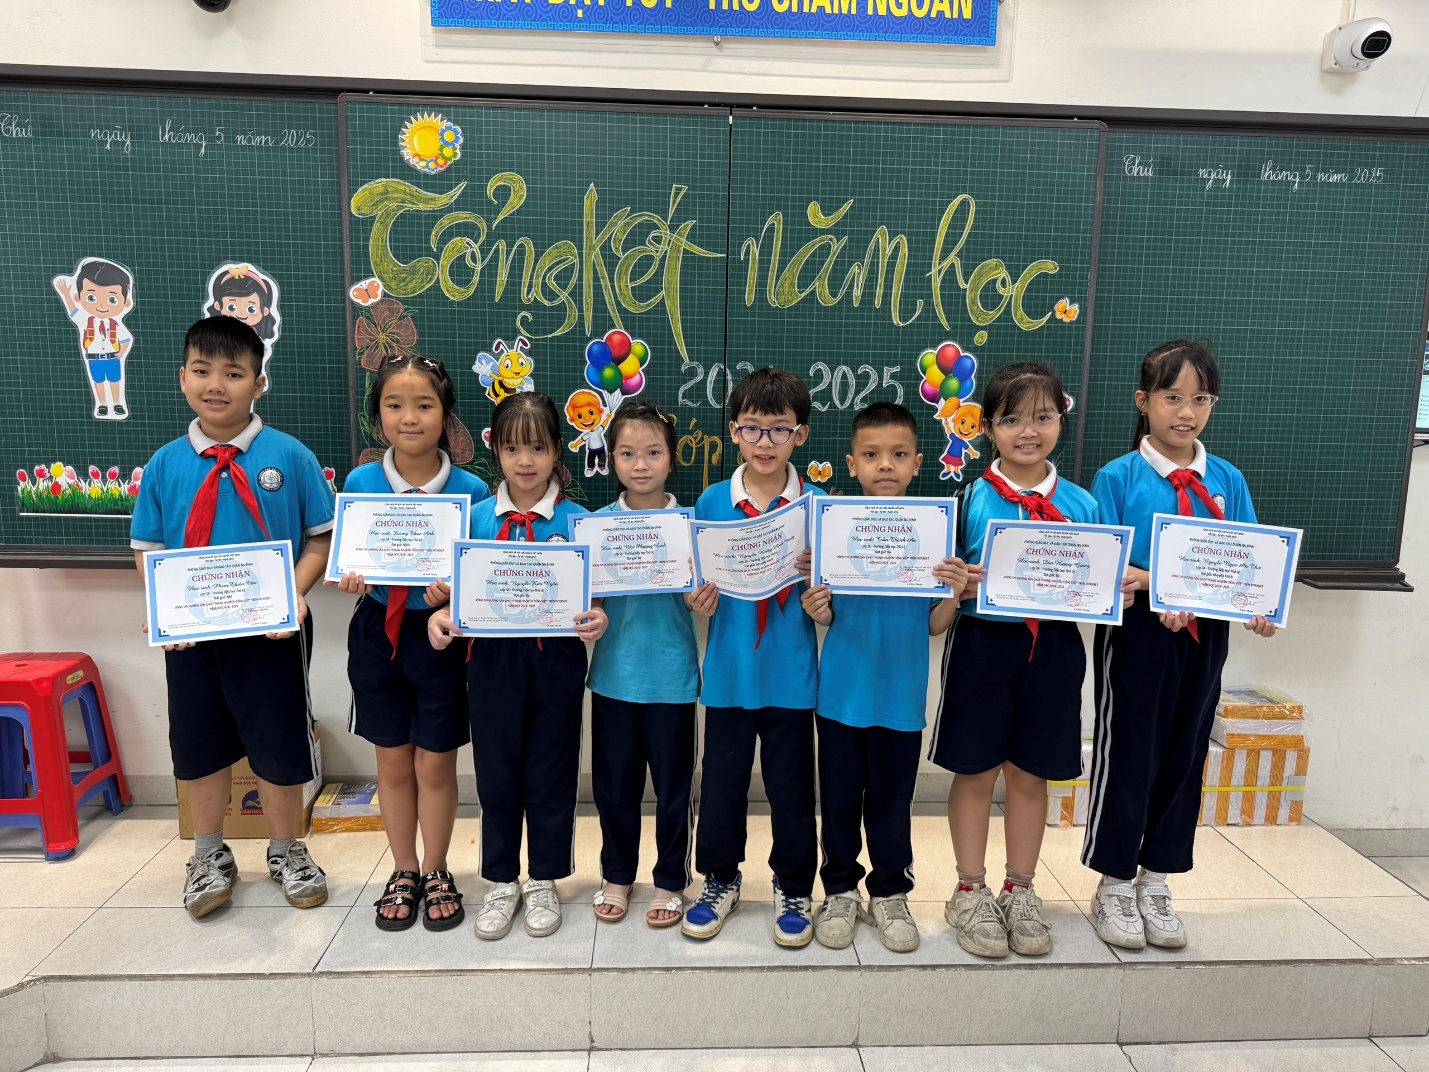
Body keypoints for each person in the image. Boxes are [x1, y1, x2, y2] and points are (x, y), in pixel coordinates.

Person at [129, 316, 333, 919]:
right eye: (202, 370)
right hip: (193, 640)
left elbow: (320, 540)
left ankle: (287, 849)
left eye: (234, 373)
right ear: (182, 378)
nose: (216, 385)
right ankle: (208, 854)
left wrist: (295, 591)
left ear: (259, 383)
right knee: (200, 744)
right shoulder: (165, 464)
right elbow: (147, 549)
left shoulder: (290, 456)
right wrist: (162, 606)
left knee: (278, 741)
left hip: (273, 632)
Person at [1082, 340, 1277, 951]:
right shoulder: (1118, 477)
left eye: (1200, 399)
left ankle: (1157, 879)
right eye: (1172, 397)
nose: (1186, 411)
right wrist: (1152, 583)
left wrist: (1260, 604)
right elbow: (1102, 564)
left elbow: (1247, 558)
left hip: (1205, 633)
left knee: (1186, 751)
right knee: (1130, 752)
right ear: (1144, 402)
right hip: (1138, 634)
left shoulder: (1227, 479)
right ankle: (1114, 881)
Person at [928, 362, 1107, 958]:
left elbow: (1096, 584)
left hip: (1053, 650)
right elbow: (941, 596)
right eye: (1011, 420)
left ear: (1061, 420)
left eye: (1043, 417)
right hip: (983, 646)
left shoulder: (1082, 505)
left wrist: (1113, 590)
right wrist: (959, 584)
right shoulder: (966, 500)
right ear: (986, 427)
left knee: (1031, 773)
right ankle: (969, 889)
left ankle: (1021, 889)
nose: (1028, 431)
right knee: (977, 770)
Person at [427, 393, 608, 940]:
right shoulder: (475, 519)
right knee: (496, 772)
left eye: (537, 447)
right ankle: (502, 879)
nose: (525, 461)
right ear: (495, 452)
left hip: (556, 660)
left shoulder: (581, 523)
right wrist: (441, 615)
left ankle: (544, 878)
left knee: (553, 770)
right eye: (511, 449)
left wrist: (597, 618)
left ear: (557, 450)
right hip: (491, 661)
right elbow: (456, 595)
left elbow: (597, 597)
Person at [330, 354, 489, 932]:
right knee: (393, 760)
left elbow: (483, 571)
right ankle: (403, 869)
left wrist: (455, 590)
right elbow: (352, 557)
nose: (410, 417)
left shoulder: (473, 490)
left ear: (446, 414)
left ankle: (438, 867)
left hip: (442, 637)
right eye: (394, 405)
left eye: (425, 405)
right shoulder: (360, 484)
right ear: (378, 416)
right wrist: (352, 575)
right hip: (378, 632)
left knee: (436, 762)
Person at [801, 402, 966, 953]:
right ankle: (840, 890)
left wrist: (954, 592)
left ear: (918, 463)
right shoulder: (834, 528)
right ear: (852, 464)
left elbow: (935, 625)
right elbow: (828, 615)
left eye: (898, 455)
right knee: (840, 802)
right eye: (872, 455)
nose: (886, 465)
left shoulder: (934, 531)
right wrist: (819, 608)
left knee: (892, 806)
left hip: (899, 699)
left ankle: (891, 892)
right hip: (840, 697)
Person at [682, 367, 824, 948]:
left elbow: (832, 599)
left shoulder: (817, 506)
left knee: (792, 789)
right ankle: (720, 878)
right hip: (729, 673)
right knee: (721, 784)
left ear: (801, 434)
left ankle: (794, 885)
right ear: (734, 431)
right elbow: (697, 581)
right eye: (752, 428)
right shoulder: (713, 501)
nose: (765, 442)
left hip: (791, 674)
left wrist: (821, 589)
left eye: (779, 429)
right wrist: (696, 600)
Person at [587, 401, 699, 929]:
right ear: (611, 458)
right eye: (628, 453)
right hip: (613, 677)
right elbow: (591, 602)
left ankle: (671, 879)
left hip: (672, 679)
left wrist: (703, 597)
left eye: (653, 453)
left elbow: (704, 595)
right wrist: (590, 617)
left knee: (674, 789)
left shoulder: (692, 526)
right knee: (615, 789)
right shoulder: (595, 527)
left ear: (671, 459)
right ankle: (617, 874)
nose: (641, 465)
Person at [53, 258, 135, 420]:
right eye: (91, 297)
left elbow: (126, 340)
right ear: (78, 297)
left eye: (112, 300)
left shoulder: (115, 325)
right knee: (98, 382)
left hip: (112, 357)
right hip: (94, 358)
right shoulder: (86, 322)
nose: (102, 306)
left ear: (126, 302)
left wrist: (120, 353)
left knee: (115, 381)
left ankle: (117, 404)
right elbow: (73, 312)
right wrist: (66, 294)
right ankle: (103, 405)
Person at [206, 263, 281, 395]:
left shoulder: (256, 339)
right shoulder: (217, 335)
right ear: (218, 305)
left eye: (251, 309)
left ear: (265, 310)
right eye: (232, 307)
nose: (241, 314)